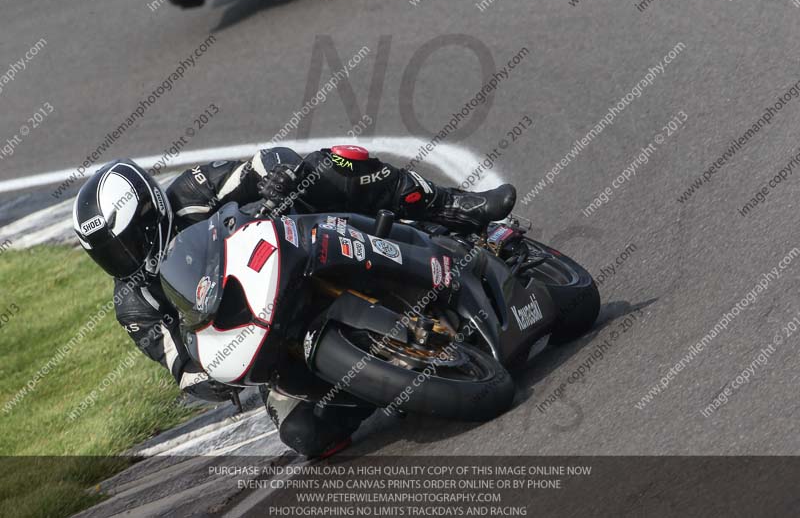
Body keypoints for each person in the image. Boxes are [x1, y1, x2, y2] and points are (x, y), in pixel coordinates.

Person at [72, 145, 516, 456]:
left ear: (150, 212)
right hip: (261, 336)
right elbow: (178, 363)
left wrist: (279, 177)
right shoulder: (133, 301)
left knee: (333, 166)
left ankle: (452, 204)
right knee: (304, 434)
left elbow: (261, 164)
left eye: (127, 242)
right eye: (108, 255)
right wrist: (207, 377)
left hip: (297, 248)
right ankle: (380, 382)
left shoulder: (193, 190)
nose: (123, 259)